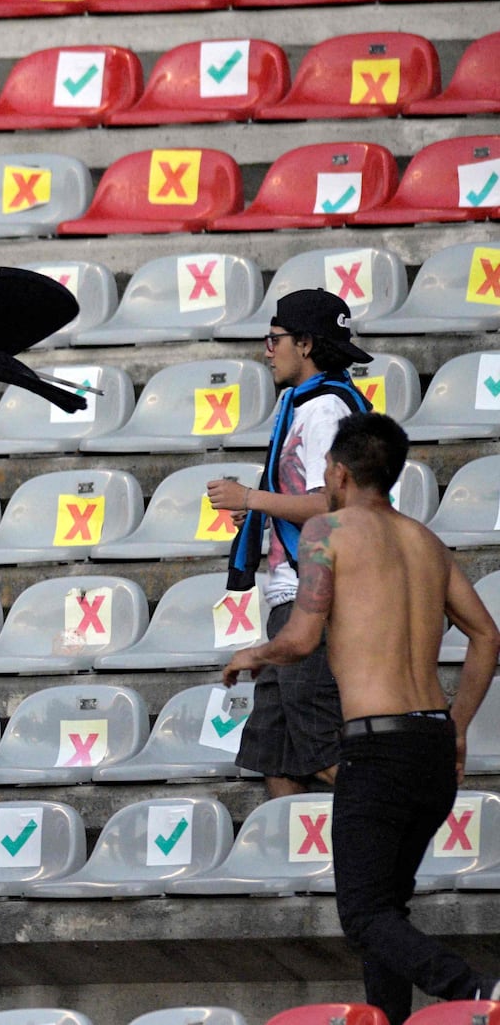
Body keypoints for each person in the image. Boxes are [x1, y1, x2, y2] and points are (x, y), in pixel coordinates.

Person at [224, 413, 500, 1024]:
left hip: (377, 749)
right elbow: (487, 636)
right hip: (431, 744)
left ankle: (478, 990)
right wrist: (457, 726)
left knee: (364, 915)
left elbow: (300, 639)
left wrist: (253, 653)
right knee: (386, 912)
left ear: (340, 473)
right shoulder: (426, 542)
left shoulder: (326, 531)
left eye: (326, 470)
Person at [207, 289, 375, 798]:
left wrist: (252, 498)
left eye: (273, 339)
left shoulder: (325, 409)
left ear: (305, 344)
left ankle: (391, 821)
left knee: (322, 750)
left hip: (318, 596)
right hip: (289, 593)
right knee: (275, 753)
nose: (267, 350)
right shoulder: (299, 403)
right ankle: (295, 853)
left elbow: (333, 506)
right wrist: (260, 507)